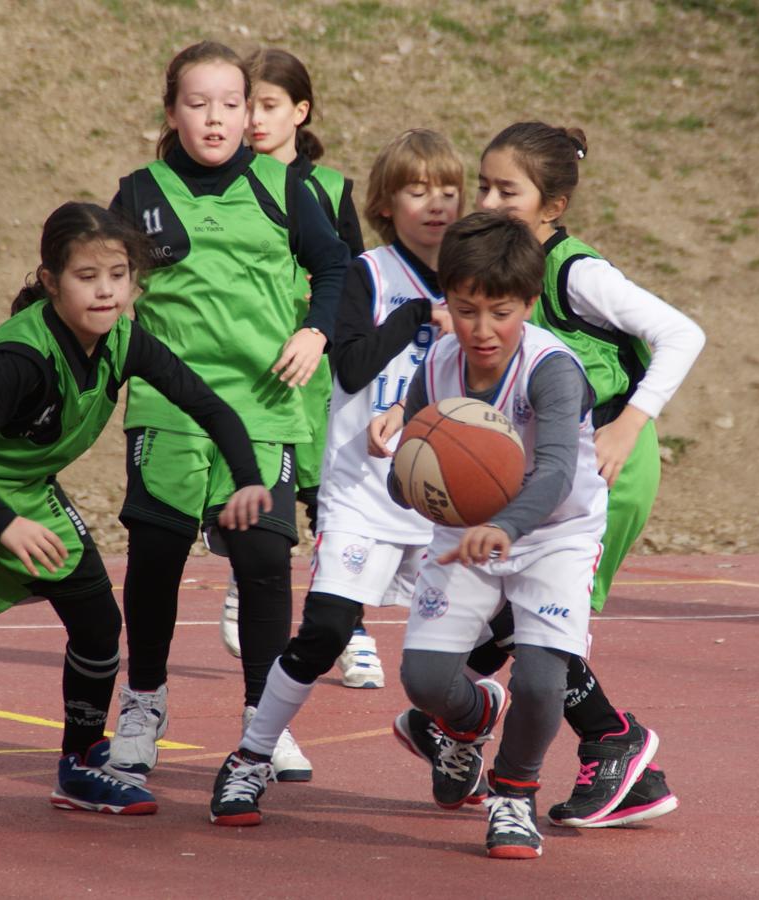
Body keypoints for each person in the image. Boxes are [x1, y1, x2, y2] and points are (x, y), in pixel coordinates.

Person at [0, 202, 270, 814]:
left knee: (98, 624)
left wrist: (249, 479)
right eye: (86, 276)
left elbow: (210, 406)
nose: (105, 291)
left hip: (24, 486)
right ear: (50, 281)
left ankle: (77, 764)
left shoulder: (124, 337)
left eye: (118, 275)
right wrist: (4, 523)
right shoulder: (23, 359)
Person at [107, 41, 350, 787]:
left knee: (262, 563)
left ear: (250, 113)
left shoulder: (283, 186)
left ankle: (261, 720)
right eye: (196, 102)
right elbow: (106, 285)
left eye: (228, 103)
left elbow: (338, 266)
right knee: (155, 560)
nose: (213, 117)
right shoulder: (138, 192)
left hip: (263, 406)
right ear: (171, 111)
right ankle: (143, 703)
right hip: (170, 405)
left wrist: (316, 330)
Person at [206, 128, 464, 826]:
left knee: (477, 639)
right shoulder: (368, 273)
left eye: (447, 190)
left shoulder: (478, 278)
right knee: (323, 630)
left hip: (450, 498)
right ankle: (252, 756)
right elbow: (349, 366)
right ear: (384, 204)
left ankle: (455, 732)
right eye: (417, 191)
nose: (435, 204)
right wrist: (419, 316)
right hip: (364, 491)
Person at [465, 121, 704, 827]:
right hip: (545, 472)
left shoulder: (575, 273)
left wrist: (630, 423)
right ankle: (457, 718)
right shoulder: (499, 268)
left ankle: (613, 741)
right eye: (483, 184)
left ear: (552, 208)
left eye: (506, 189)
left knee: (537, 622)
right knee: (502, 610)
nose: (487, 198)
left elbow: (682, 333)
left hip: (606, 471)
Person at [372, 211, 609, 859]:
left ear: (528, 304)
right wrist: (402, 464)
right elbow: (406, 484)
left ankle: (512, 794)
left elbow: (557, 473)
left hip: (554, 531)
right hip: (469, 526)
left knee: (540, 681)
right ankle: (472, 719)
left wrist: (504, 526)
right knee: (423, 681)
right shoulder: (438, 365)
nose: (481, 329)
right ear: (444, 298)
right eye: (465, 309)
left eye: (499, 312)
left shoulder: (551, 369)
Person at [220, 48, 379, 691]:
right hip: (260, 368)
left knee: (336, 506)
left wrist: (353, 358)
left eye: (269, 105)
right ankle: (243, 578)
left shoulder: (332, 188)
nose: (255, 119)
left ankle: (354, 627)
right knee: (264, 496)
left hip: (323, 371)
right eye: (246, 105)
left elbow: (356, 283)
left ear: (300, 111)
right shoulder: (223, 186)